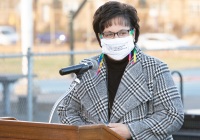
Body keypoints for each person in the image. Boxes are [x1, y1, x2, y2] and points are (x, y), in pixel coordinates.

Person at [57, 1, 184, 139]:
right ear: (100, 38)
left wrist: (131, 130)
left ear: (133, 33)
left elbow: (173, 115)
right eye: (109, 34)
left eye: (122, 32)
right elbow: (66, 110)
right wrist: (90, 134)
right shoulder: (87, 67)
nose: (116, 38)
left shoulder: (155, 68)